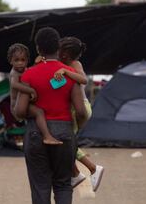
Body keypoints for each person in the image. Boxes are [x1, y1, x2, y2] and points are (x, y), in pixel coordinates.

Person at [14, 27, 88, 204]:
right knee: (63, 185)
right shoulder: (70, 75)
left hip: (35, 134)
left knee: (40, 187)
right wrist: (75, 130)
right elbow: (80, 111)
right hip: (64, 132)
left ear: (38, 49)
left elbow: (20, 111)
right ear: (58, 48)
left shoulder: (29, 74)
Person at [54, 36, 104, 192]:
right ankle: (76, 173)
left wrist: (66, 72)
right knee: (67, 142)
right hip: (75, 110)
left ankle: (93, 168)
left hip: (80, 109)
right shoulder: (62, 62)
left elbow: (83, 80)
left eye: (58, 50)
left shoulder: (75, 64)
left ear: (64, 55)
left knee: (65, 143)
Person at [8, 43, 62, 145]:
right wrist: (31, 91)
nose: (20, 63)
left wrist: (37, 64)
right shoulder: (14, 73)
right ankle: (47, 136)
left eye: (23, 60)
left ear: (27, 61)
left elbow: (31, 74)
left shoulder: (25, 70)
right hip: (16, 107)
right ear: (11, 61)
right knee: (39, 112)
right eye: (16, 60)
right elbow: (15, 85)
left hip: (24, 103)